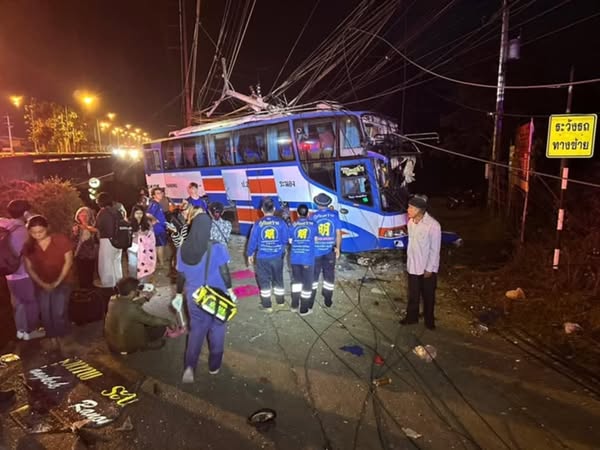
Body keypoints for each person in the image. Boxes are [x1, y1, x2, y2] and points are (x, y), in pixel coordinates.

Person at [172, 213, 235, 383]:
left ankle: (189, 368)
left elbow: (180, 276)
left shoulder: (182, 249)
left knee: (196, 331)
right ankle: (214, 366)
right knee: (218, 328)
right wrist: (230, 290)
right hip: (217, 296)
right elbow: (224, 271)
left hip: (194, 297)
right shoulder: (217, 247)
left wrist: (178, 294)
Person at [23, 215, 73, 339]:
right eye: (33, 232)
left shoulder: (60, 240)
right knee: (45, 313)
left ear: (47, 228)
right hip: (42, 283)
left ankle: (63, 337)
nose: (38, 235)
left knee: (58, 311)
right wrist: (42, 283)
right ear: (29, 232)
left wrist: (57, 282)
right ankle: (52, 339)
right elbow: (29, 268)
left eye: (41, 231)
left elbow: (68, 262)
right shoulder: (29, 246)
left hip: (63, 280)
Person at [1, 200, 44, 340]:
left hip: (9, 273)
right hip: (23, 274)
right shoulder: (23, 232)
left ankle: (21, 331)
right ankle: (30, 331)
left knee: (18, 303)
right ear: (25, 212)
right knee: (31, 302)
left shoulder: (6, 226)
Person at [400, 195, 441, 330]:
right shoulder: (411, 222)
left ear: (419, 210)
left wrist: (429, 268)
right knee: (413, 294)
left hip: (426, 268)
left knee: (428, 296)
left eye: (411, 208)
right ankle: (412, 317)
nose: (408, 210)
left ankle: (429, 320)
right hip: (413, 265)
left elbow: (435, 250)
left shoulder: (433, 226)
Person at [104, 277, 175, 355]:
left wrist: (146, 298)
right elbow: (151, 320)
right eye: (136, 290)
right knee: (160, 327)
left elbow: (128, 306)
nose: (138, 291)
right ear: (132, 293)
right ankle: (143, 346)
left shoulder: (113, 299)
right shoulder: (132, 309)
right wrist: (168, 322)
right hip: (124, 348)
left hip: (112, 345)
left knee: (137, 322)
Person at [247, 197, 289, 312]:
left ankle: (267, 305)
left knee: (264, 280)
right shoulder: (281, 223)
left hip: (262, 258)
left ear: (261, 209)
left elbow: (252, 241)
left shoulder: (257, 224)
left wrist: (249, 254)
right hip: (277, 257)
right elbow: (286, 239)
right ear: (274, 209)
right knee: (278, 279)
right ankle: (280, 302)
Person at [310, 193, 342, 308]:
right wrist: (338, 248)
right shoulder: (335, 216)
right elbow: (338, 234)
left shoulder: (313, 217)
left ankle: (310, 301)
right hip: (330, 251)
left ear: (317, 204)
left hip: (316, 252)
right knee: (329, 276)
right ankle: (328, 300)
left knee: (313, 276)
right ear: (328, 204)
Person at [289, 204, 317, 315]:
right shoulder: (313, 225)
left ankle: (294, 305)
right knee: (307, 285)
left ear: (297, 213)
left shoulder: (293, 225)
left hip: (295, 258)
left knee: (296, 282)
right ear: (308, 213)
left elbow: (290, 241)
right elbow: (316, 239)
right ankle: (304, 309)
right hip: (307, 259)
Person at [96, 192, 123, 288]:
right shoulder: (117, 211)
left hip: (107, 240)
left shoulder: (102, 212)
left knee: (106, 265)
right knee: (116, 263)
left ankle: (109, 287)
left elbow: (100, 227)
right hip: (119, 240)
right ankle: (119, 285)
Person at [72, 206, 98, 289]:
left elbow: (96, 238)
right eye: (82, 215)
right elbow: (72, 241)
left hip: (91, 255)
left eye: (86, 215)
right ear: (78, 216)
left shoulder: (93, 227)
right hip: (80, 255)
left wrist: (87, 228)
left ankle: (90, 294)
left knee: (90, 276)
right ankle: (83, 294)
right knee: (81, 277)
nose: (84, 217)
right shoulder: (76, 227)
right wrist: (75, 234)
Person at [128, 205, 156, 283]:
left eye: (141, 213)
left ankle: (143, 284)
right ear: (133, 214)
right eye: (137, 213)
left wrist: (143, 235)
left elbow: (151, 235)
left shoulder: (147, 223)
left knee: (145, 266)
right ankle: (133, 284)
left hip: (145, 250)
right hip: (133, 248)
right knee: (133, 266)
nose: (139, 215)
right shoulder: (129, 223)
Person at [147, 187, 169, 267]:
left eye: (161, 193)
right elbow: (148, 214)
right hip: (158, 229)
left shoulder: (157, 204)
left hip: (160, 228)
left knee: (158, 245)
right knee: (160, 246)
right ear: (153, 196)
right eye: (158, 193)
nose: (160, 194)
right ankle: (162, 263)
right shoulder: (154, 204)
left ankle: (157, 262)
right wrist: (154, 219)